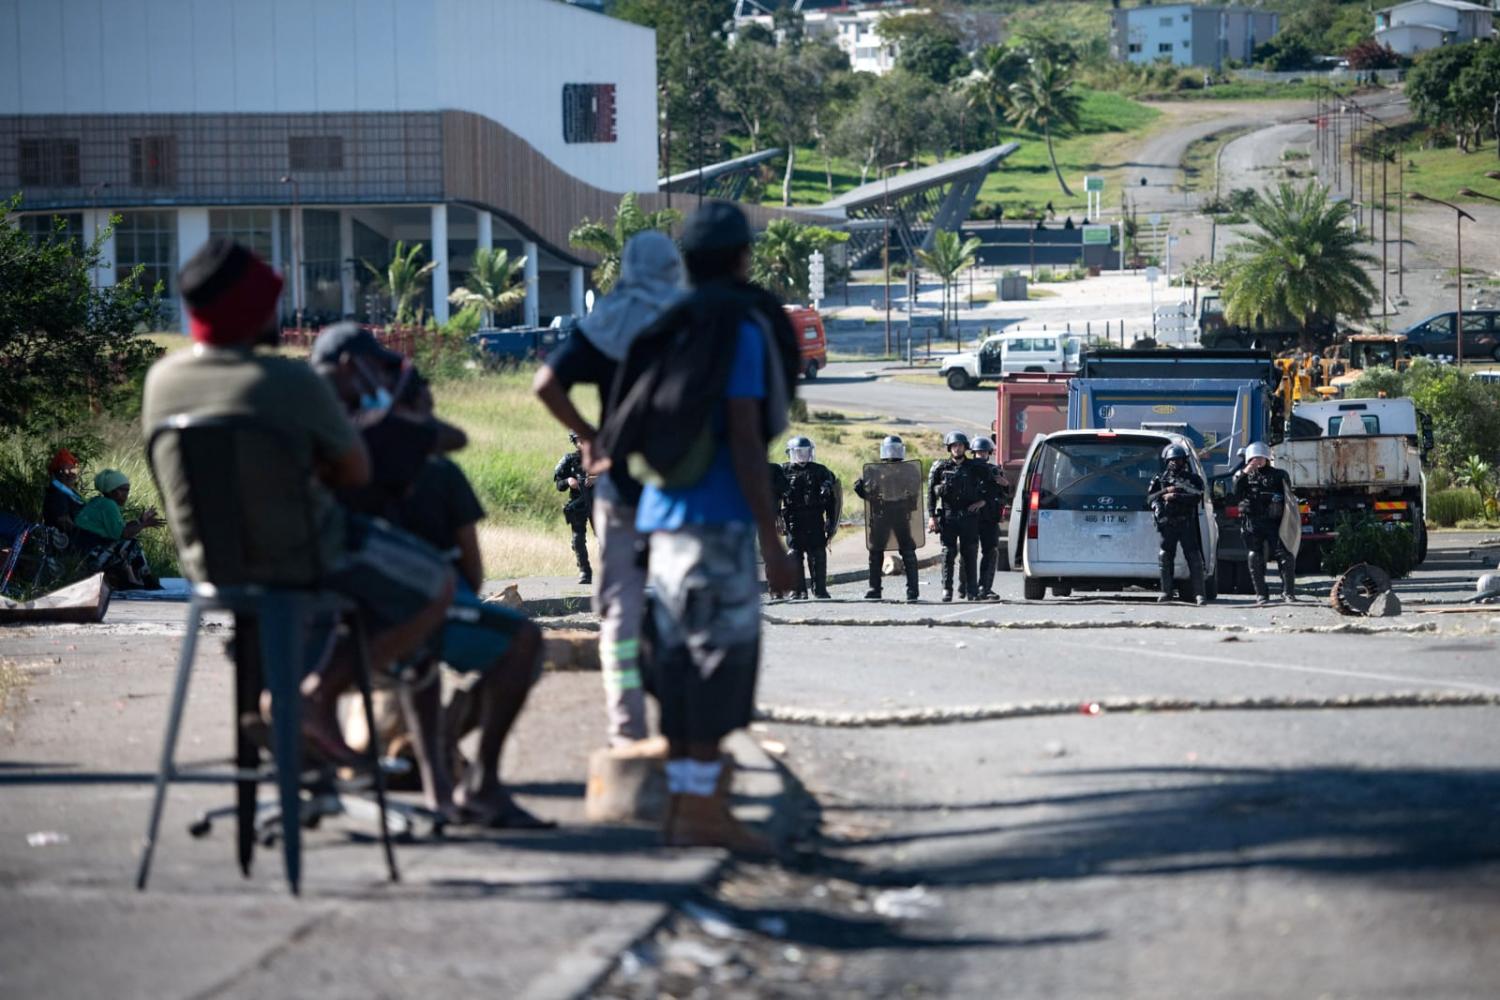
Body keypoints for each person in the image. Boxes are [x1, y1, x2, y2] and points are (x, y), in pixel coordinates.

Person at [141, 239, 454, 765]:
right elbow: (357, 471)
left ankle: (304, 736)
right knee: (436, 586)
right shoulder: (290, 380)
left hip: (210, 569)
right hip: (306, 561)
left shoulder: (162, 381)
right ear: (252, 311)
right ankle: (320, 695)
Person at [598, 200, 799, 853]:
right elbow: (745, 436)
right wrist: (773, 540)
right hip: (717, 523)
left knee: (681, 667)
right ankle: (703, 810)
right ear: (743, 258)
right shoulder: (737, 327)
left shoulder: (672, 321)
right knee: (721, 666)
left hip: (659, 520)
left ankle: (686, 808)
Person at [533, 229, 684, 746]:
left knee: (619, 610)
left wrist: (592, 436)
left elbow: (545, 384)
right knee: (684, 602)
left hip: (620, 487)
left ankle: (628, 729)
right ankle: (685, 730)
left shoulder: (608, 320)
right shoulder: (692, 319)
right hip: (682, 488)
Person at [853, 434, 920, 602]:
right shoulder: (874, 470)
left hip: (900, 513)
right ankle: (874, 588)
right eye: (890, 449)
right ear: (883, 451)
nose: (893, 452)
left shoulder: (909, 470)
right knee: (875, 552)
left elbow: (913, 491)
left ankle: (913, 590)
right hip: (881, 514)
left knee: (908, 551)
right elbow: (868, 494)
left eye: (896, 449)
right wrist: (860, 489)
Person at [72, 469, 164, 589]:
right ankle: (146, 580)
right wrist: (143, 525)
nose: (126, 494)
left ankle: (134, 580)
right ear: (113, 491)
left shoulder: (98, 502)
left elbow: (120, 530)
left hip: (84, 554)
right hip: (90, 557)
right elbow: (124, 534)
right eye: (124, 490)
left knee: (127, 543)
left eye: (127, 490)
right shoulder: (109, 505)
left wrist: (141, 520)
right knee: (131, 543)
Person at [1232, 441, 1298, 604]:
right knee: (1255, 556)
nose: (1258, 460)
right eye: (1254, 458)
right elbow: (1235, 491)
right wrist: (1245, 472)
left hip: (1275, 522)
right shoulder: (1243, 476)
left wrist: (1276, 501)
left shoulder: (1279, 475)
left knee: (1285, 555)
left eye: (1261, 457)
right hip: (1253, 521)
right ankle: (1261, 593)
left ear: (1267, 458)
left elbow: (1288, 496)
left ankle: (1288, 592)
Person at [776, 436, 839, 600]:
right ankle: (798, 590)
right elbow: (773, 494)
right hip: (793, 519)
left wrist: (830, 520)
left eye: (806, 452)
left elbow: (833, 492)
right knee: (794, 554)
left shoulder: (820, 470)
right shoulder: (783, 471)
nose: (803, 456)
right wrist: (777, 519)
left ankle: (820, 590)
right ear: (791, 453)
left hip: (815, 517)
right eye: (799, 452)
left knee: (818, 553)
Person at [1146, 443, 1207, 605]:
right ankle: (1166, 592)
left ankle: (1199, 594)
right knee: (1165, 556)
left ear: (1184, 461)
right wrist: (1162, 503)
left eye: (1178, 460)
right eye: (1172, 460)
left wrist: (1176, 496)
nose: (1175, 463)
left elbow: (1197, 496)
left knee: (1194, 557)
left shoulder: (1193, 479)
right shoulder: (1160, 479)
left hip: (1186, 522)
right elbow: (1151, 499)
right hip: (1167, 523)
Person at [927, 431, 983, 602]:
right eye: (954, 446)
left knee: (970, 553)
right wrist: (931, 516)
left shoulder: (975, 467)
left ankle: (971, 590)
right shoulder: (940, 467)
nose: (957, 449)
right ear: (949, 448)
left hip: (969, 516)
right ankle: (947, 589)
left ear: (965, 447)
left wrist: (982, 502)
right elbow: (930, 493)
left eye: (960, 445)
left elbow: (990, 487)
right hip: (949, 516)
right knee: (947, 553)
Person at [968, 437, 1010, 601]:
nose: (981, 455)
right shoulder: (967, 470)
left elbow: (1003, 498)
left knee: (991, 552)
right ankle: (967, 588)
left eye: (984, 452)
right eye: (978, 452)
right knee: (968, 553)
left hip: (990, 518)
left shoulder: (995, 471)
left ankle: (985, 587)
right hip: (970, 518)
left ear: (989, 453)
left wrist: (1004, 484)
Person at [553, 432, 594, 585]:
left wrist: (597, 479)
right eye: (579, 440)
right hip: (578, 503)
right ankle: (585, 571)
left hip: (599, 504)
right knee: (578, 540)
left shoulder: (599, 458)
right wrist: (568, 481)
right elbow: (559, 485)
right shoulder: (569, 460)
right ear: (574, 442)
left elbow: (615, 477)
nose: (583, 443)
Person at [42, 449, 85, 533]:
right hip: (64, 541)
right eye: (63, 472)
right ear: (55, 475)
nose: (69, 475)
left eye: (72, 471)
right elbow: (65, 523)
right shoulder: (57, 494)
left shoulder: (70, 492)